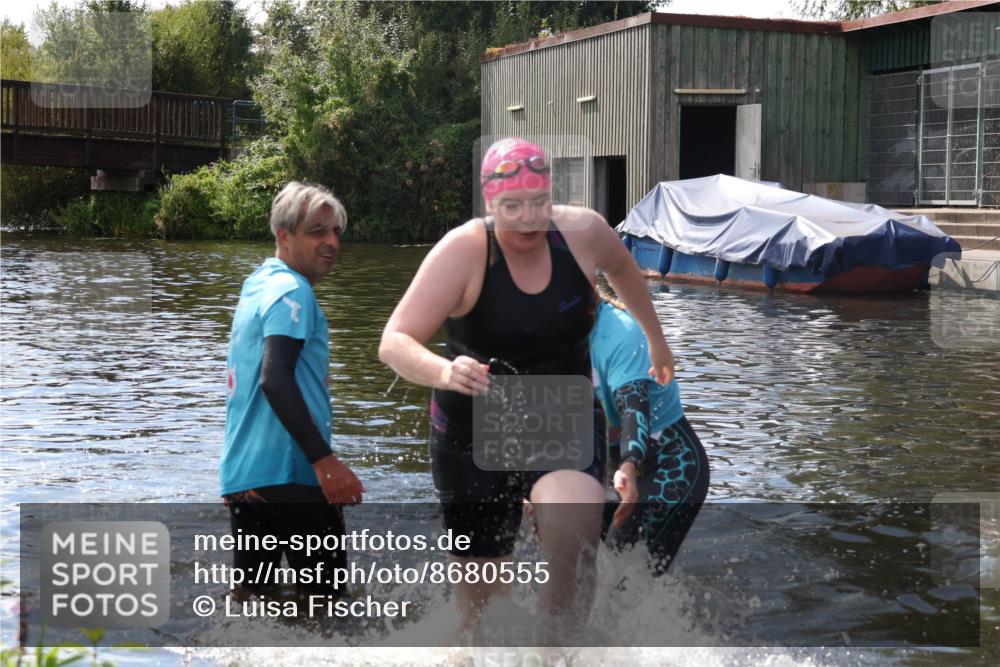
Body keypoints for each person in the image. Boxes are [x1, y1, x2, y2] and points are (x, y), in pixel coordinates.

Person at [378, 137, 677, 635]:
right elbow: (394, 340)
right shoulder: (464, 250)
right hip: (472, 430)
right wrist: (443, 370)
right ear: (490, 204)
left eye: (538, 203)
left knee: (573, 543)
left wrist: (656, 340)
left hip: (559, 413)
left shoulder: (582, 232)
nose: (527, 219)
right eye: (512, 207)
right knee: (481, 615)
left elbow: (623, 268)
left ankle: (557, 651)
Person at [220, 181, 364, 600]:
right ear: (284, 236)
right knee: (331, 615)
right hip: (293, 475)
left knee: (251, 608)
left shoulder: (258, 284)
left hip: (246, 478)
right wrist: (325, 463)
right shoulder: (292, 292)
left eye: (336, 231)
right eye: (318, 231)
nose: (331, 242)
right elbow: (274, 378)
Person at [591, 288, 709, 576]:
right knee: (581, 573)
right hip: (611, 468)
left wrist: (630, 463)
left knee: (617, 584)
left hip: (670, 465)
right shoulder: (542, 336)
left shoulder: (621, 332)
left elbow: (633, 408)